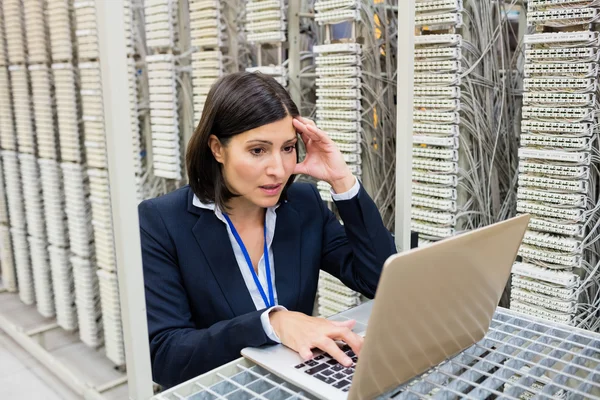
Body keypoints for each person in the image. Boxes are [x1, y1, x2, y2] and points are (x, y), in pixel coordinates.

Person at [138, 72, 397, 389]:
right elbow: (165, 356)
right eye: (258, 150)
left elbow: (380, 281)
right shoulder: (162, 221)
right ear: (217, 148)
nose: (278, 169)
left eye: (288, 148)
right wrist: (272, 322)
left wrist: (342, 180)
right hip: (222, 389)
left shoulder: (303, 205)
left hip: (296, 382)